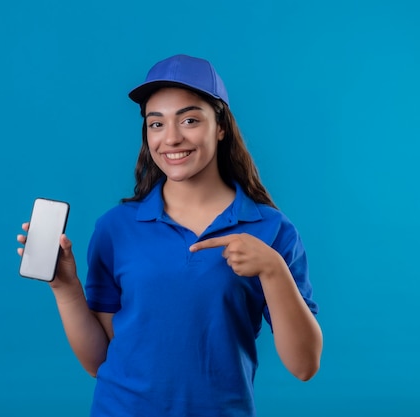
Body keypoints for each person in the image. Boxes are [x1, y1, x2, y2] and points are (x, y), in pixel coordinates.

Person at [17, 54, 323, 416]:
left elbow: (304, 366)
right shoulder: (116, 228)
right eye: (156, 124)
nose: (172, 138)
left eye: (190, 119)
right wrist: (64, 287)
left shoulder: (272, 230)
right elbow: (99, 361)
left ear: (220, 126)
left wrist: (273, 270)